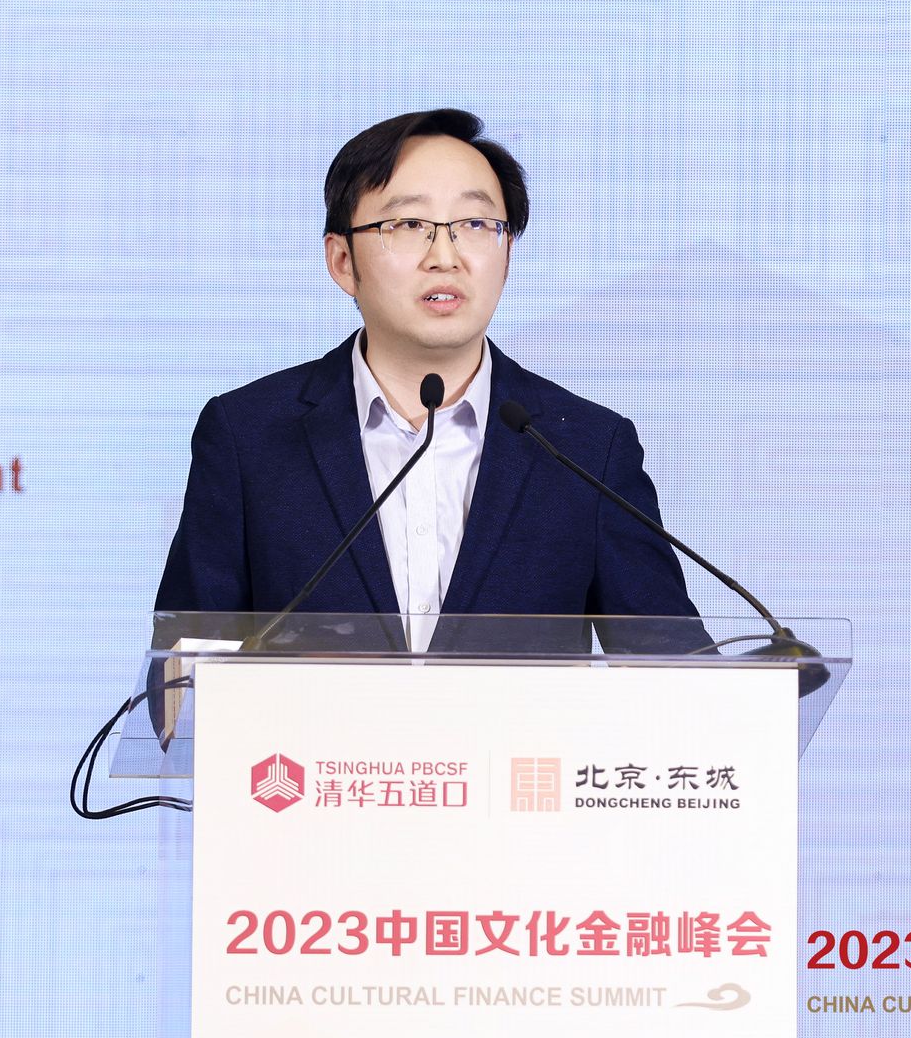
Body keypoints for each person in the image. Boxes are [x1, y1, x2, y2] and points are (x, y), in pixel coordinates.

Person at [155, 109, 702, 653]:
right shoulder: (249, 436)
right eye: (408, 225)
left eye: (476, 225)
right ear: (342, 260)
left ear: (508, 253)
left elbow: (676, 670)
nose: (445, 256)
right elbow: (182, 671)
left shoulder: (586, 449)